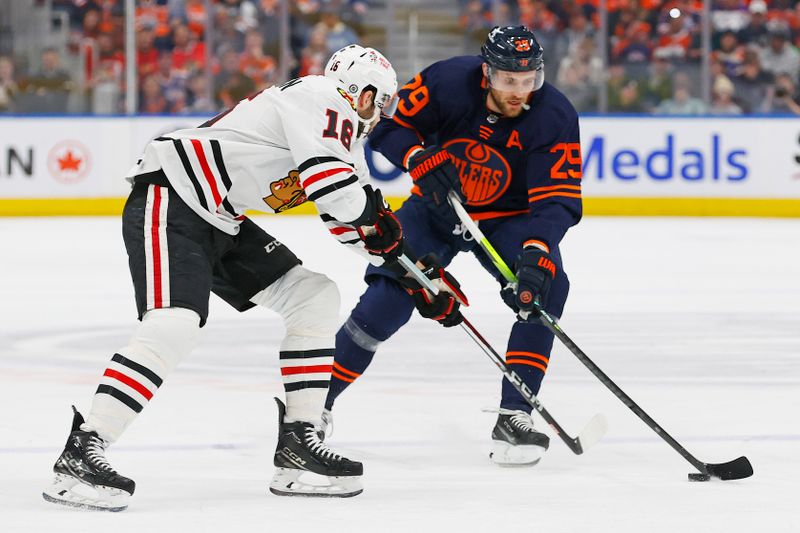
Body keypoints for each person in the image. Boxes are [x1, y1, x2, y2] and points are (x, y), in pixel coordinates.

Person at [43, 44, 426, 510]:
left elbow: (348, 219)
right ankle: (84, 448)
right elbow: (337, 193)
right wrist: (375, 223)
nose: (376, 114)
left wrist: (410, 271)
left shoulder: (332, 128)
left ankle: (297, 447)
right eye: (378, 101)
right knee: (174, 323)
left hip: (219, 217)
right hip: (174, 197)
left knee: (314, 297)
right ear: (363, 93)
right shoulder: (324, 97)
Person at [323, 26, 583, 467]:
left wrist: (537, 251)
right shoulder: (447, 81)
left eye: (529, 80)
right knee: (388, 299)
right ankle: (312, 407)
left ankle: (513, 417)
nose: (519, 92)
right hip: (435, 210)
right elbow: (388, 129)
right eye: (507, 80)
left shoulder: (554, 115)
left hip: (507, 220)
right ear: (487, 72)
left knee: (543, 289)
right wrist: (418, 158)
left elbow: (555, 200)